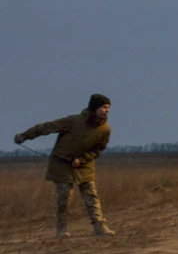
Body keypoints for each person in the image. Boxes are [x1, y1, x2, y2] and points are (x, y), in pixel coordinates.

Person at [13, 94, 115, 237]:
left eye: (108, 108)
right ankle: (62, 229)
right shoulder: (73, 121)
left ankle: (99, 227)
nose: (107, 110)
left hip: (84, 166)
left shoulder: (105, 129)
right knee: (64, 197)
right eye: (104, 107)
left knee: (91, 196)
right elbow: (46, 127)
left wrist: (82, 159)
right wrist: (24, 136)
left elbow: (98, 149)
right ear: (94, 107)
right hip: (62, 164)